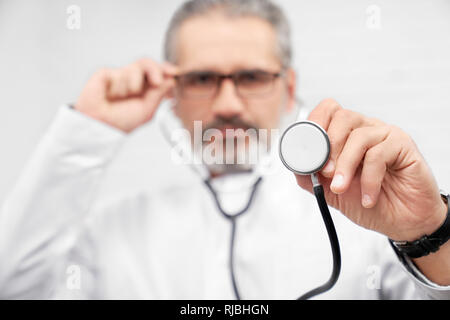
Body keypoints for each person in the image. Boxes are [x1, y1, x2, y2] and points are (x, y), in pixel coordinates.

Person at [0, 0, 449, 299]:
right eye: (202, 79)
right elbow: (16, 287)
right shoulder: (114, 231)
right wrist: (85, 131)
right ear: (172, 93)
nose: (228, 104)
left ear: (288, 88)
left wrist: (429, 229)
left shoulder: (366, 218)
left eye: (252, 77)